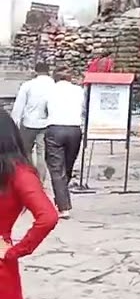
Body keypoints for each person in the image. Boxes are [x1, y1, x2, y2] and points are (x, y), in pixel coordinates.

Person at [0, 113, 59, 299]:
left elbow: (47, 217)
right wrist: (15, 251)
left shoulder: (16, 173)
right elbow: (48, 215)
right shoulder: (20, 173)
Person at [43, 71, 85, 218]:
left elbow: (44, 110)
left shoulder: (49, 90)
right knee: (67, 167)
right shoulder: (79, 90)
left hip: (55, 129)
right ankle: (61, 198)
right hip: (74, 130)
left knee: (56, 169)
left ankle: (63, 206)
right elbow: (84, 109)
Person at [11, 63, 53, 185]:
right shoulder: (53, 85)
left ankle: (30, 177)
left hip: (28, 123)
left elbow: (19, 105)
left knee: (26, 151)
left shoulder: (28, 85)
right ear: (48, 71)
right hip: (46, 124)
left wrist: (15, 122)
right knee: (42, 152)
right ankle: (41, 181)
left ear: (35, 71)